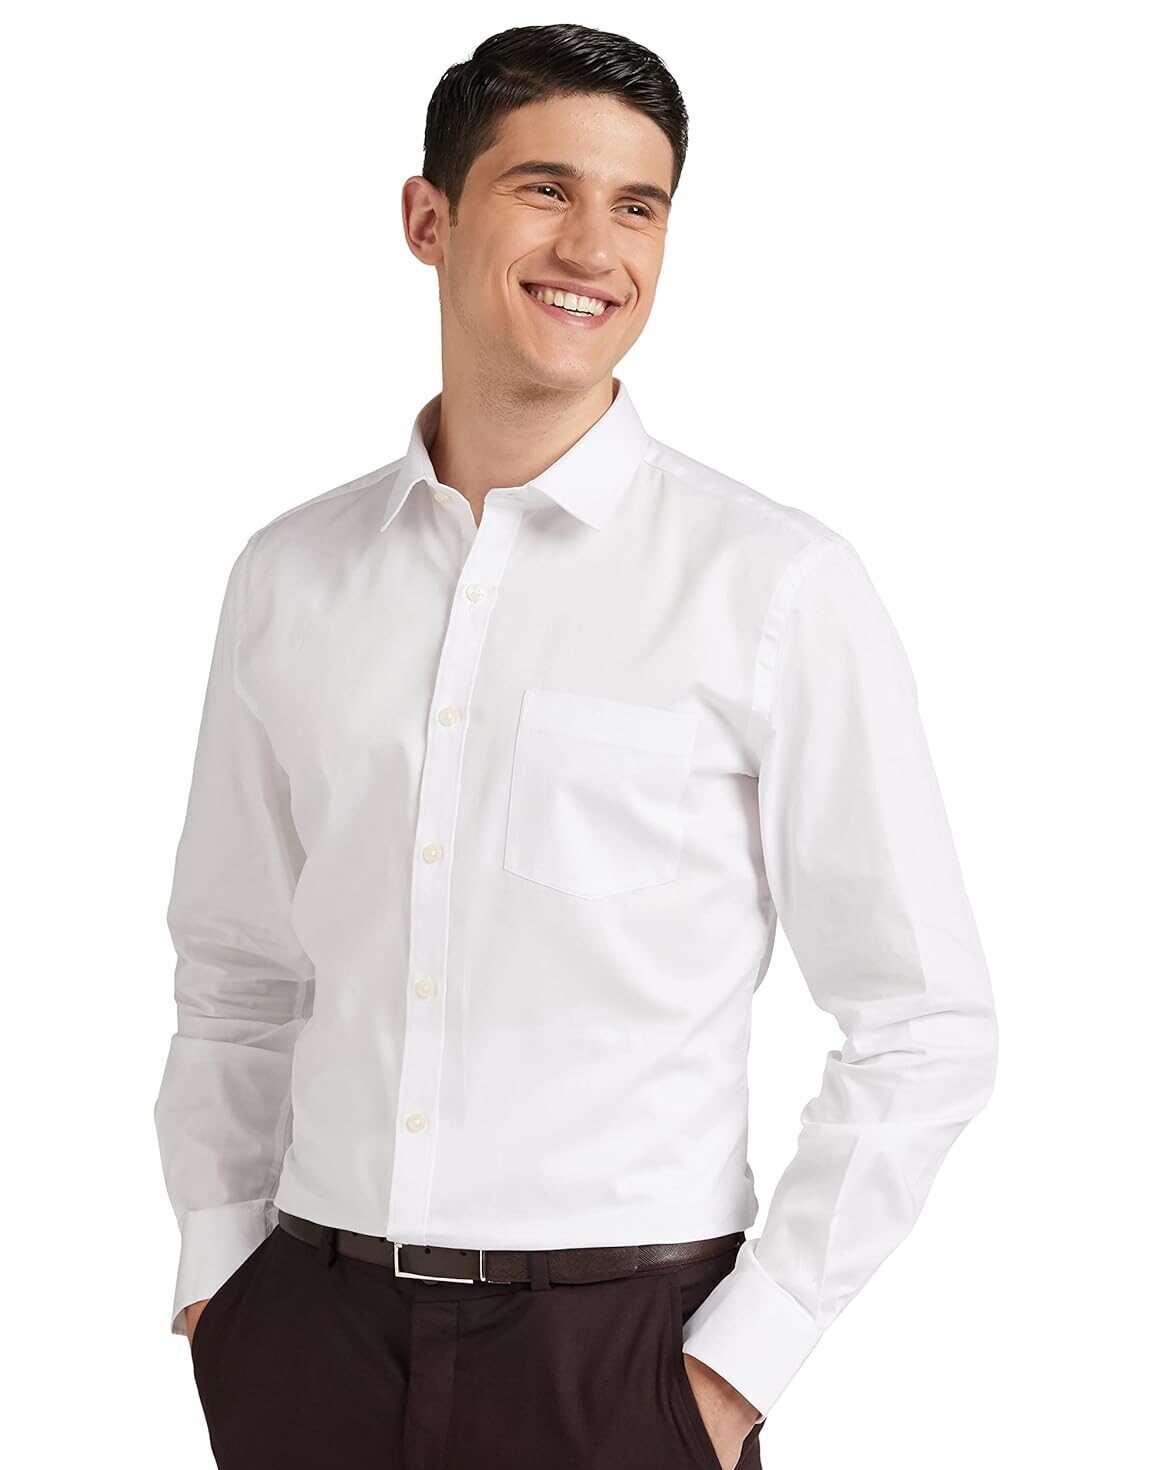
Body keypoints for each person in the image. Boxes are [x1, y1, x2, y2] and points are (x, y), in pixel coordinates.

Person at [153, 22, 998, 1470]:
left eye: (638, 206)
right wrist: (224, 1274)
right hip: (309, 1338)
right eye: (544, 188)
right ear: (428, 218)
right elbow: (238, 971)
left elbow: (924, 1020)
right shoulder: (291, 577)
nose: (593, 249)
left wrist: (735, 1366)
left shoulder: (772, 584)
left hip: (621, 1366)